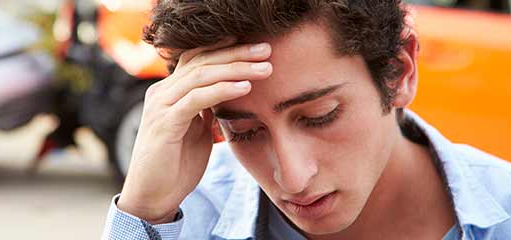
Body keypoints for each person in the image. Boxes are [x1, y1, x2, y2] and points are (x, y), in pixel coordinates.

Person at [102, 0, 511, 239]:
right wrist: (142, 215)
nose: (292, 179)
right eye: (243, 131)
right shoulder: (184, 219)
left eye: (320, 116)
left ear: (398, 71)